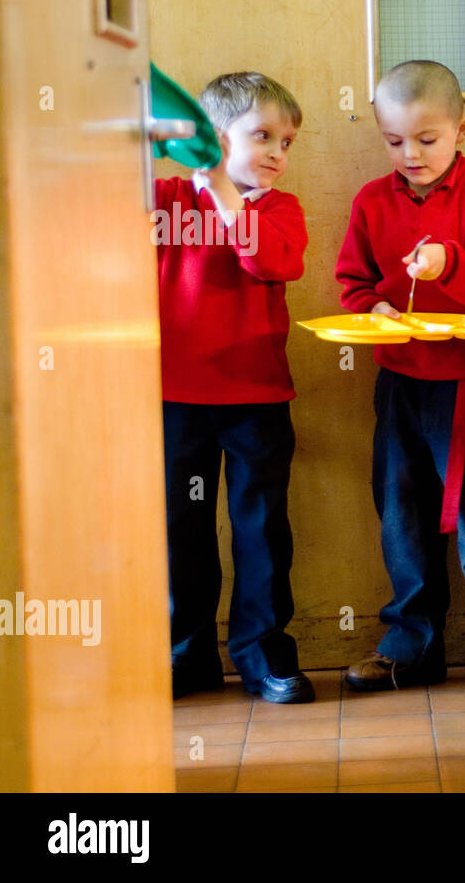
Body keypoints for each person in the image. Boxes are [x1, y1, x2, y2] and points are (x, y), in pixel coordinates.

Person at [335, 60, 465, 699]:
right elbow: (352, 282)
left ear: (461, 128)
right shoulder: (372, 200)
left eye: (427, 140)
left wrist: (447, 259)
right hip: (400, 378)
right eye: (394, 141)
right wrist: (373, 308)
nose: (411, 154)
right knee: (401, 512)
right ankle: (411, 646)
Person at [159, 71, 313, 703]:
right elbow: (94, 186)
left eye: (288, 141)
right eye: (263, 136)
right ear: (215, 137)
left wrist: (223, 188)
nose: (279, 152)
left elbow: (270, 260)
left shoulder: (279, 208)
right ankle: (185, 655)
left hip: (256, 401)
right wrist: (161, 139)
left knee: (261, 532)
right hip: (175, 401)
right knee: (180, 532)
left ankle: (264, 654)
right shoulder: (168, 198)